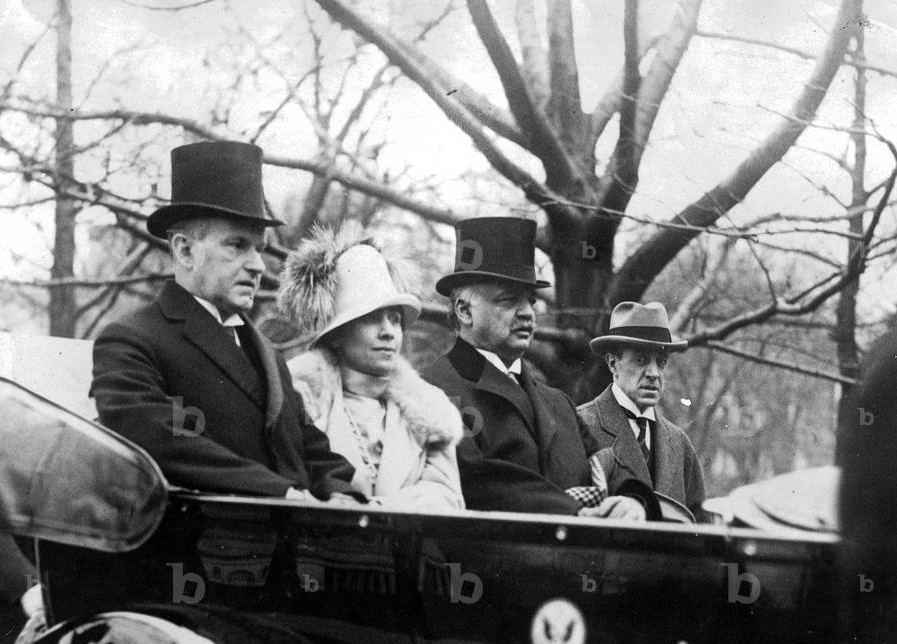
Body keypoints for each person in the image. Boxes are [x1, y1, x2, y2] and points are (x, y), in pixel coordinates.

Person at [91, 140, 359, 502]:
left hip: (291, 545)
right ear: (185, 250)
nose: (258, 266)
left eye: (260, 248)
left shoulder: (267, 353)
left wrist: (341, 491)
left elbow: (309, 446)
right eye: (237, 245)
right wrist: (282, 492)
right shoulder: (132, 340)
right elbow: (159, 439)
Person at [423, 217, 657, 520]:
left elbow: (610, 464)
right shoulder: (434, 390)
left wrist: (632, 499)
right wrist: (576, 513)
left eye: (530, 301)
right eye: (508, 301)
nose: (527, 314)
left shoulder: (557, 403)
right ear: (464, 311)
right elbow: (477, 479)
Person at [278, 224, 463, 510]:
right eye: (371, 318)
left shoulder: (429, 412)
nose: (389, 332)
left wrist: (374, 510)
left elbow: (447, 497)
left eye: (395, 319)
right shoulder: (300, 398)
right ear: (336, 335)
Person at [579, 301, 706, 521]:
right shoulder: (580, 426)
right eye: (640, 360)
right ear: (612, 363)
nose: (654, 373)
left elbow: (702, 527)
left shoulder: (679, 442)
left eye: (661, 362)